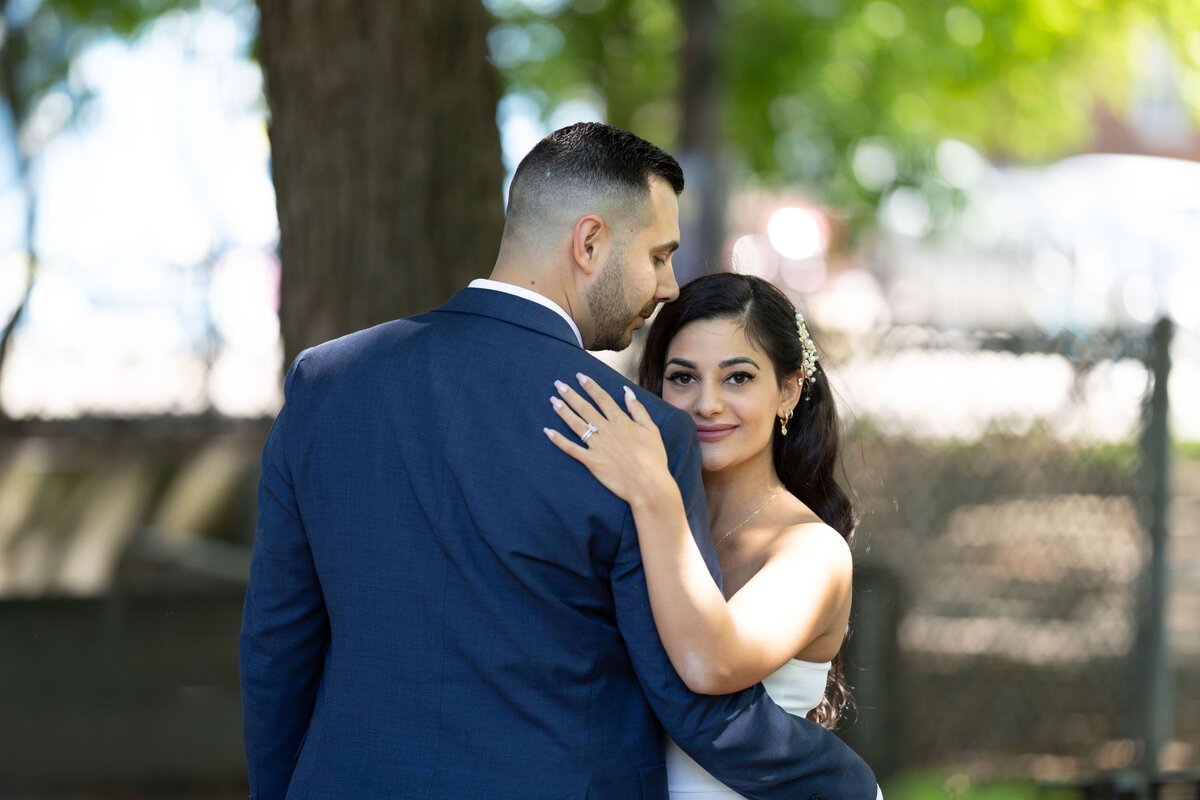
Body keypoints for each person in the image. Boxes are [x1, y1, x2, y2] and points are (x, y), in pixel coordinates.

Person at [240, 122, 878, 799]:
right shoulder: (632, 430)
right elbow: (691, 700)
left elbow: (277, 648)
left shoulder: (328, 382)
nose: (667, 286)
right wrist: (848, 782)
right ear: (591, 242)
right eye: (659, 256)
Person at [545, 273, 873, 799]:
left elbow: (711, 663)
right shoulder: (626, 513)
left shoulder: (812, 550)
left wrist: (653, 492)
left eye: (737, 378)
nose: (708, 404)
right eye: (682, 378)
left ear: (788, 391)